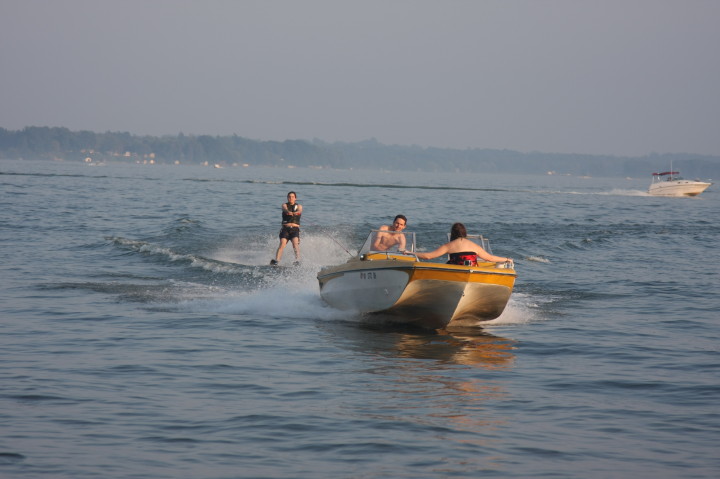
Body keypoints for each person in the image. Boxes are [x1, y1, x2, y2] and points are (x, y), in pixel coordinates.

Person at [415, 222, 512, 265]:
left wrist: (412, 253)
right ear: (465, 233)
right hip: (473, 273)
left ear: (452, 233)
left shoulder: (449, 246)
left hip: (455, 274)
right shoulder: (474, 246)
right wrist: (507, 259)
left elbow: (429, 256)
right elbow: (490, 258)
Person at [271, 191, 302, 265]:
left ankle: (298, 261)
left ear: (295, 198)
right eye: (289, 197)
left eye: (292, 197)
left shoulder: (299, 206)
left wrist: (296, 212)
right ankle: (277, 261)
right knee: (282, 243)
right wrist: (288, 211)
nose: (291, 198)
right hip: (285, 229)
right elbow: (284, 209)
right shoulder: (284, 205)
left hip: (295, 229)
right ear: (287, 198)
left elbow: (300, 210)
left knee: (295, 244)